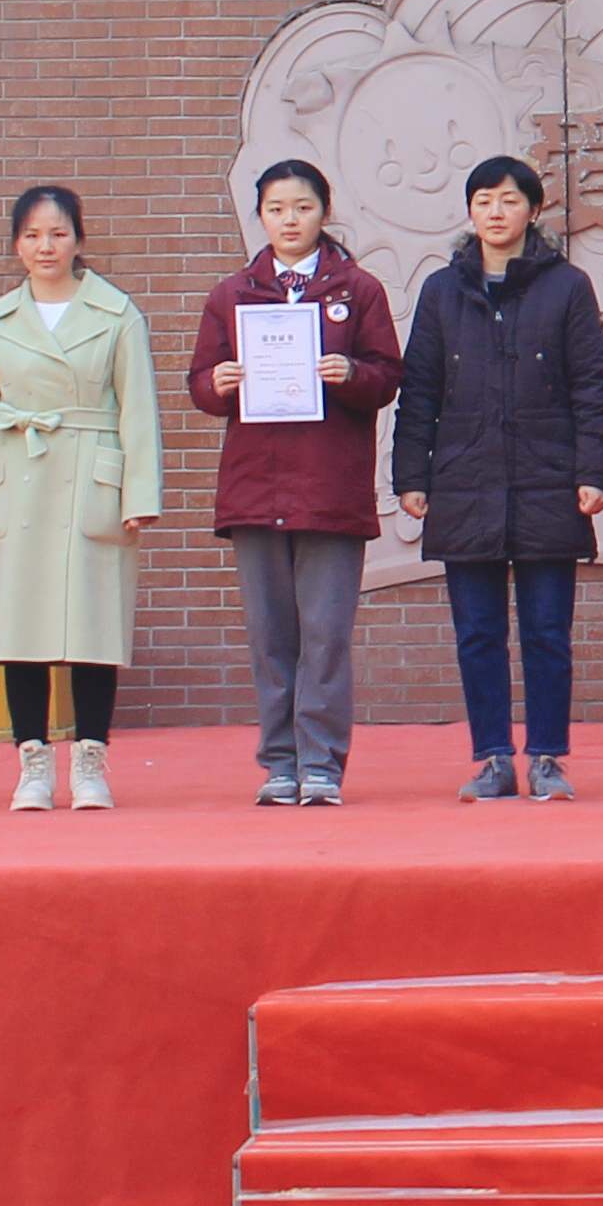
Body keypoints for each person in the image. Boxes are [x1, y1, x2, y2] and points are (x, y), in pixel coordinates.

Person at [393, 156, 603, 800]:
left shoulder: (566, 286)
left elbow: (591, 386)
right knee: (478, 634)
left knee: (548, 632)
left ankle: (547, 756)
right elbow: (419, 390)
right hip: (464, 481)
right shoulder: (442, 290)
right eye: (484, 200)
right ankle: (492, 757)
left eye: (510, 200)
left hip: (549, 481)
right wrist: (411, 475)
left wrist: (594, 470)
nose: (496, 211)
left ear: (534, 210)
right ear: (470, 211)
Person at [185, 160, 403, 806]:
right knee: (271, 637)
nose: (289, 220)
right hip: (255, 488)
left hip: (329, 488)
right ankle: (280, 763)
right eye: (276, 209)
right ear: (260, 215)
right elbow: (200, 382)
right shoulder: (232, 294)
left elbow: (388, 376)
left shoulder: (357, 290)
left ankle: (322, 763)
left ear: (323, 212)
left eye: (302, 207)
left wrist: (351, 374)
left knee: (326, 635)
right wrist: (217, 384)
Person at [0, 183, 162, 810]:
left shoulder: (117, 314)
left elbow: (138, 409)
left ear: (79, 240)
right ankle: (32, 763)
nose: (46, 246)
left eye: (58, 233)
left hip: (91, 475)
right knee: (21, 626)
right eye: (33, 235)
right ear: (17, 244)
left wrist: (139, 494)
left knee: (94, 625)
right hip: (19, 474)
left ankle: (91, 761)